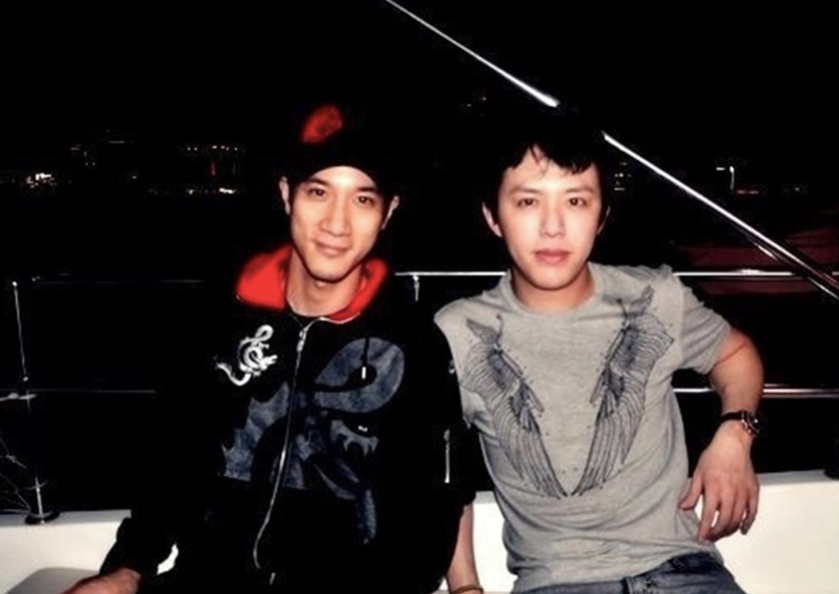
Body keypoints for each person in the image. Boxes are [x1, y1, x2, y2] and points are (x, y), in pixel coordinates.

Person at [64, 103, 474, 594]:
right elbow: (170, 464)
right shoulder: (218, 321)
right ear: (286, 195)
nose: (337, 223)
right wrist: (126, 570)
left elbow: (430, 514)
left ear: (388, 213)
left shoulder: (414, 345)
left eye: (363, 199)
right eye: (318, 192)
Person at [436, 110, 764, 594]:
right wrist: (466, 588)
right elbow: (439, 473)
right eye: (527, 201)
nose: (553, 227)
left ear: (601, 215)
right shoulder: (458, 332)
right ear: (493, 217)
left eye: (575, 201)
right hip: (557, 583)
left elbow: (735, 354)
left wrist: (735, 435)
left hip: (684, 569)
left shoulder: (655, 297)